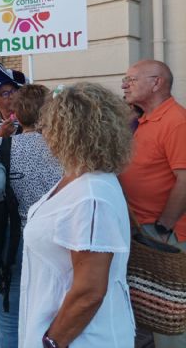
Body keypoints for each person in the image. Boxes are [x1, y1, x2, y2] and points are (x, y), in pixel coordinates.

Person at [19, 83, 135, 347]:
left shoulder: (91, 194)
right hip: (57, 326)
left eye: (49, 125)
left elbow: (89, 291)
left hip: (82, 338)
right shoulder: (78, 176)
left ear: (70, 131)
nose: (43, 132)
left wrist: (52, 342)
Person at [0, 84, 63, 347]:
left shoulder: (1, 148)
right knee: (48, 316)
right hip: (53, 243)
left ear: (16, 113)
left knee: (8, 318)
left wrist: (0, 137)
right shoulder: (64, 149)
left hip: (7, 241)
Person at [119, 60, 186, 348]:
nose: (125, 84)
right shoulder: (145, 119)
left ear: (156, 82)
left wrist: (163, 227)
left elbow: (184, 180)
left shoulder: (176, 120)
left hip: (165, 235)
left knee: (169, 315)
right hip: (143, 229)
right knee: (154, 311)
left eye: (131, 79)